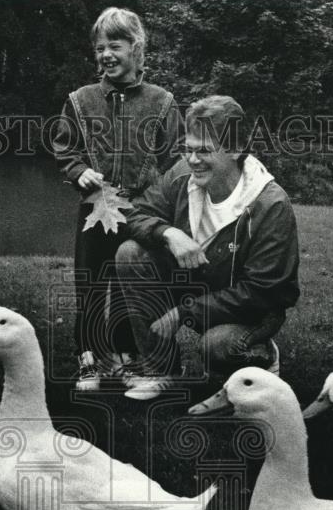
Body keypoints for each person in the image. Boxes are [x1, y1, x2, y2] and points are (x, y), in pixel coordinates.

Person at [115, 95, 300, 400]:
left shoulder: (271, 204)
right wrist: (168, 232)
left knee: (215, 348)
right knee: (131, 253)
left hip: (250, 311)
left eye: (204, 150)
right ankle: (161, 371)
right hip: (196, 283)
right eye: (187, 149)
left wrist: (182, 313)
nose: (192, 159)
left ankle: (260, 353)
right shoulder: (181, 175)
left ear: (236, 149)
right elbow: (133, 212)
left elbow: (264, 291)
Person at [52, 7, 183, 391]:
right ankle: (91, 358)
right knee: (91, 283)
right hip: (96, 209)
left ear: (135, 48)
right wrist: (79, 172)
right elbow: (64, 146)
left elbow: (174, 162)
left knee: (130, 281)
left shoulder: (162, 101)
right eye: (99, 48)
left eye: (115, 45)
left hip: (141, 211)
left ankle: (128, 356)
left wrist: (164, 205)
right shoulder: (80, 100)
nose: (106, 54)